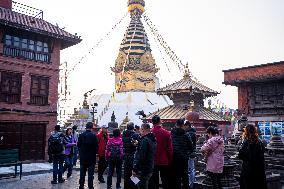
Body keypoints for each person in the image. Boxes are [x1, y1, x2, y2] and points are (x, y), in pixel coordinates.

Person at [238, 124, 267, 189]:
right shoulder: (260, 142)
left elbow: (240, 155)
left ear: (246, 132)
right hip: (259, 169)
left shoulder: (246, 142)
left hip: (248, 169)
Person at [149, 115, 173, 189]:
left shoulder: (149, 133)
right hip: (164, 160)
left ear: (152, 122)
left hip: (152, 160)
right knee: (165, 180)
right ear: (160, 121)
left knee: (153, 181)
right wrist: (170, 159)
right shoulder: (167, 133)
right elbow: (170, 149)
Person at [133, 123, 157, 189]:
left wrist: (135, 168)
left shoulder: (145, 141)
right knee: (138, 181)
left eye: (140, 129)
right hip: (149, 166)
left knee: (140, 184)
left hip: (142, 168)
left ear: (143, 129)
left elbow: (141, 156)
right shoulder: (152, 139)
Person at [170, 119, 193, 189]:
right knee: (184, 175)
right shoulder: (186, 134)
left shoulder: (171, 134)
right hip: (183, 158)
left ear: (176, 125)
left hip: (173, 157)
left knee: (176, 176)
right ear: (183, 125)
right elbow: (191, 147)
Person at [77, 122, 99, 189]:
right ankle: (90, 186)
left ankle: (81, 186)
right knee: (90, 174)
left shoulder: (81, 135)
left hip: (83, 157)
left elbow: (78, 145)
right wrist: (94, 153)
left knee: (82, 173)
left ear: (86, 127)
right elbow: (96, 147)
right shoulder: (94, 136)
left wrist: (81, 152)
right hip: (91, 158)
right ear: (91, 127)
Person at [122, 122, 140, 189]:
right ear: (133, 128)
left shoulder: (123, 135)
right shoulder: (135, 135)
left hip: (125, 155)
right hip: (133, 155)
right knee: (133, 173)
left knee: (127, 172)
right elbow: (139, 144)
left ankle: (126, 186)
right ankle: (134, 186)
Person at [185, 120, 197, 189]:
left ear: (187, 126)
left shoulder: (189, 134)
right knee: (191, 168)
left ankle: (191, 183)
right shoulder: (193, 133)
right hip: (192, 153)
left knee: (190, 169)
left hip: (189, 153)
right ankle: (192, 182)